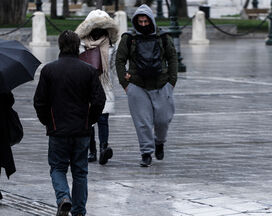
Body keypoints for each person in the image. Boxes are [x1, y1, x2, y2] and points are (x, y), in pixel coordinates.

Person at [34, 30, 106, 216]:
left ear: (60, 46)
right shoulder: (88, 70)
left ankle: (63, 197)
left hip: (58, 129)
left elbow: (39, 101)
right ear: (77, 47)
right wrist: (90, 120)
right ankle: (79, 210)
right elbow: (99, 100)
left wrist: (48, 122)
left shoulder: (49, 70)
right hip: (81, 129)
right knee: (80, 172)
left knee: (58, 168)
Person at [115, 4, 178, 167]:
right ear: (136, 22)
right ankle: (146, 152)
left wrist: (171, 82)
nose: (143, 24)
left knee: (163, 119)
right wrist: (125, 83)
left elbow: (172, 58)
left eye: (146, 21)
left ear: (151, 20)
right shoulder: (128, 38)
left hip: (162, 84)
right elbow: (120, 60)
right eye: (140, 21)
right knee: (142, 122)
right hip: (137, 85)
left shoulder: (163, 37)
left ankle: (160, 142)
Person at [75, 9, 119, 165]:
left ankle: (103, 149)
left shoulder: (111, 44)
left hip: (104, 84)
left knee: (103, 118)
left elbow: (112, 66)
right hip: (86, 84)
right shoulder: (80, 44)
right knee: (89, 119)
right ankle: (91, 150)